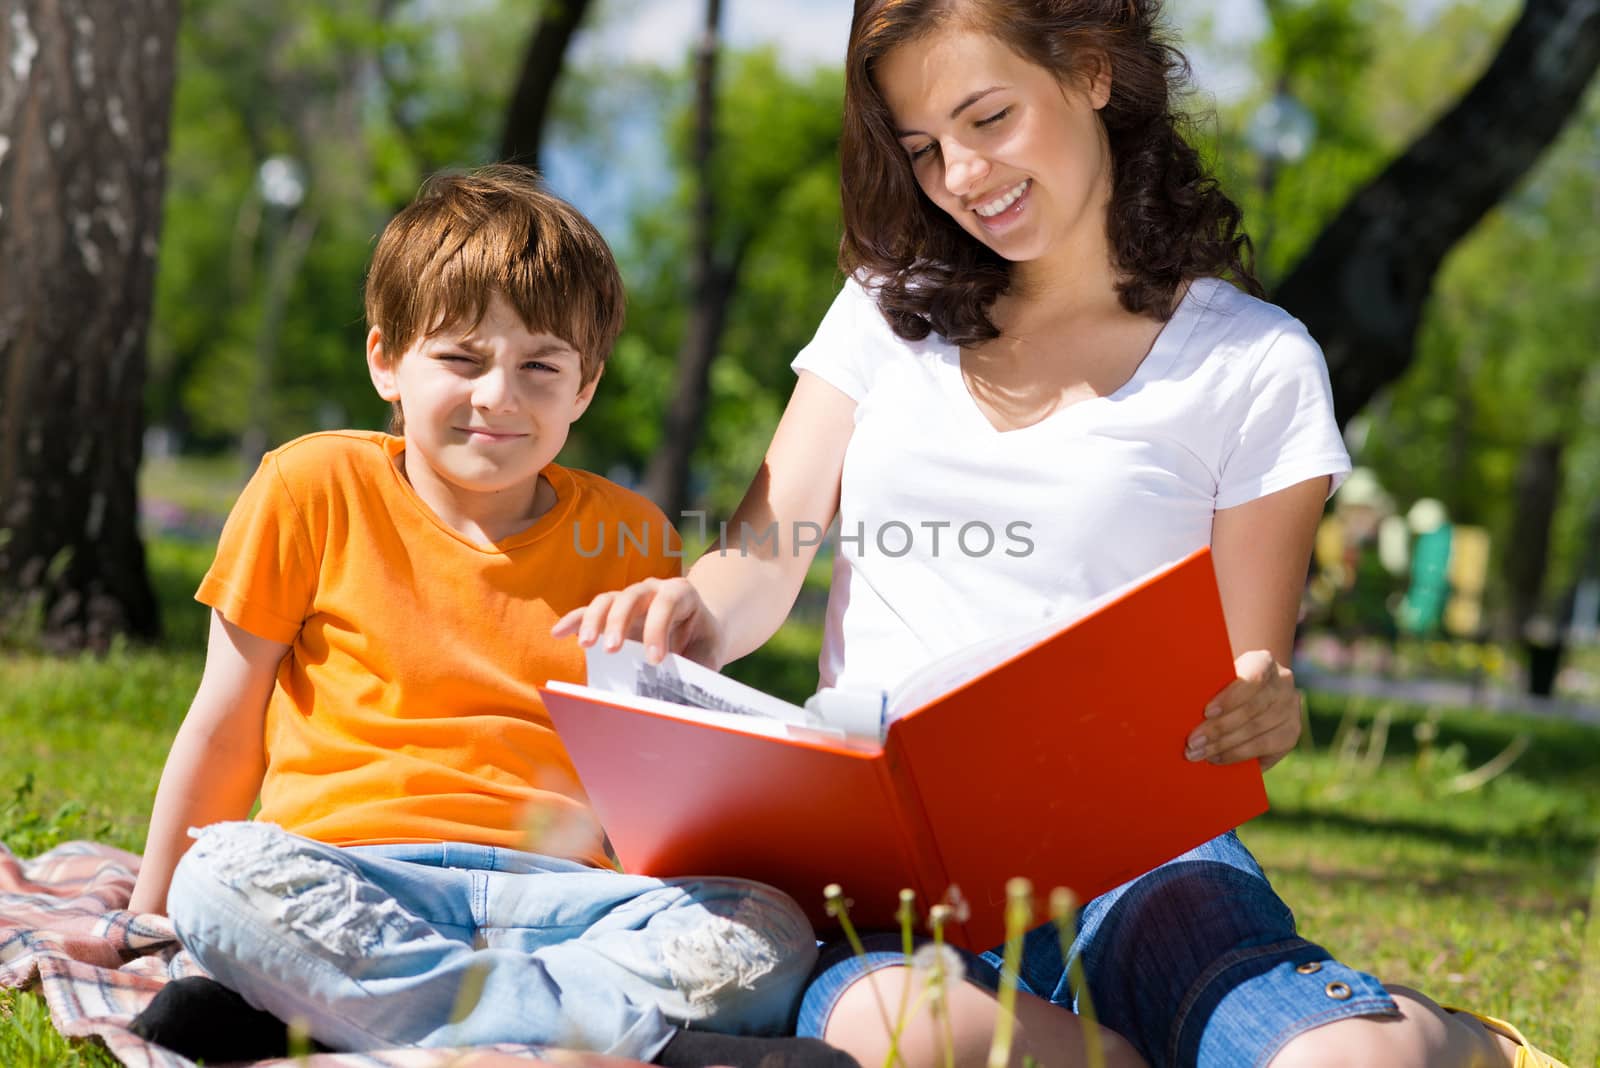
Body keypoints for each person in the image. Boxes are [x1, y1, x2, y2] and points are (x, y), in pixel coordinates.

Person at [552, 2, 1568, 1066]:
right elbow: (754, 566)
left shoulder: (1255, 362)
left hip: (1136, 858)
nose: (962, 174)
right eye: (925, 151)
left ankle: (1452, 1042)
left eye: (987, 117)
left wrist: (1262, 698)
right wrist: (691, 615)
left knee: (1344, 1063)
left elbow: (1242, 664)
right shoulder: (879, 311)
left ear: (1088, 71)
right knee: (900, 1031)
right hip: (891, 879)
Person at [124, 165, 852, 1068]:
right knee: (220, 881)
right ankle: (614, 1039)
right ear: (386, 360)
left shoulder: (631, 536)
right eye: (462, 359)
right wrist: (153, 914)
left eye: (541, 366)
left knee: (769, 930)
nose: (499, 396)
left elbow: (653, 773)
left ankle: (334, 1017)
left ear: (584, 388)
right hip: (353, 879)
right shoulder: (310, 486)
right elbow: (224, 721)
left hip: (564, 905)